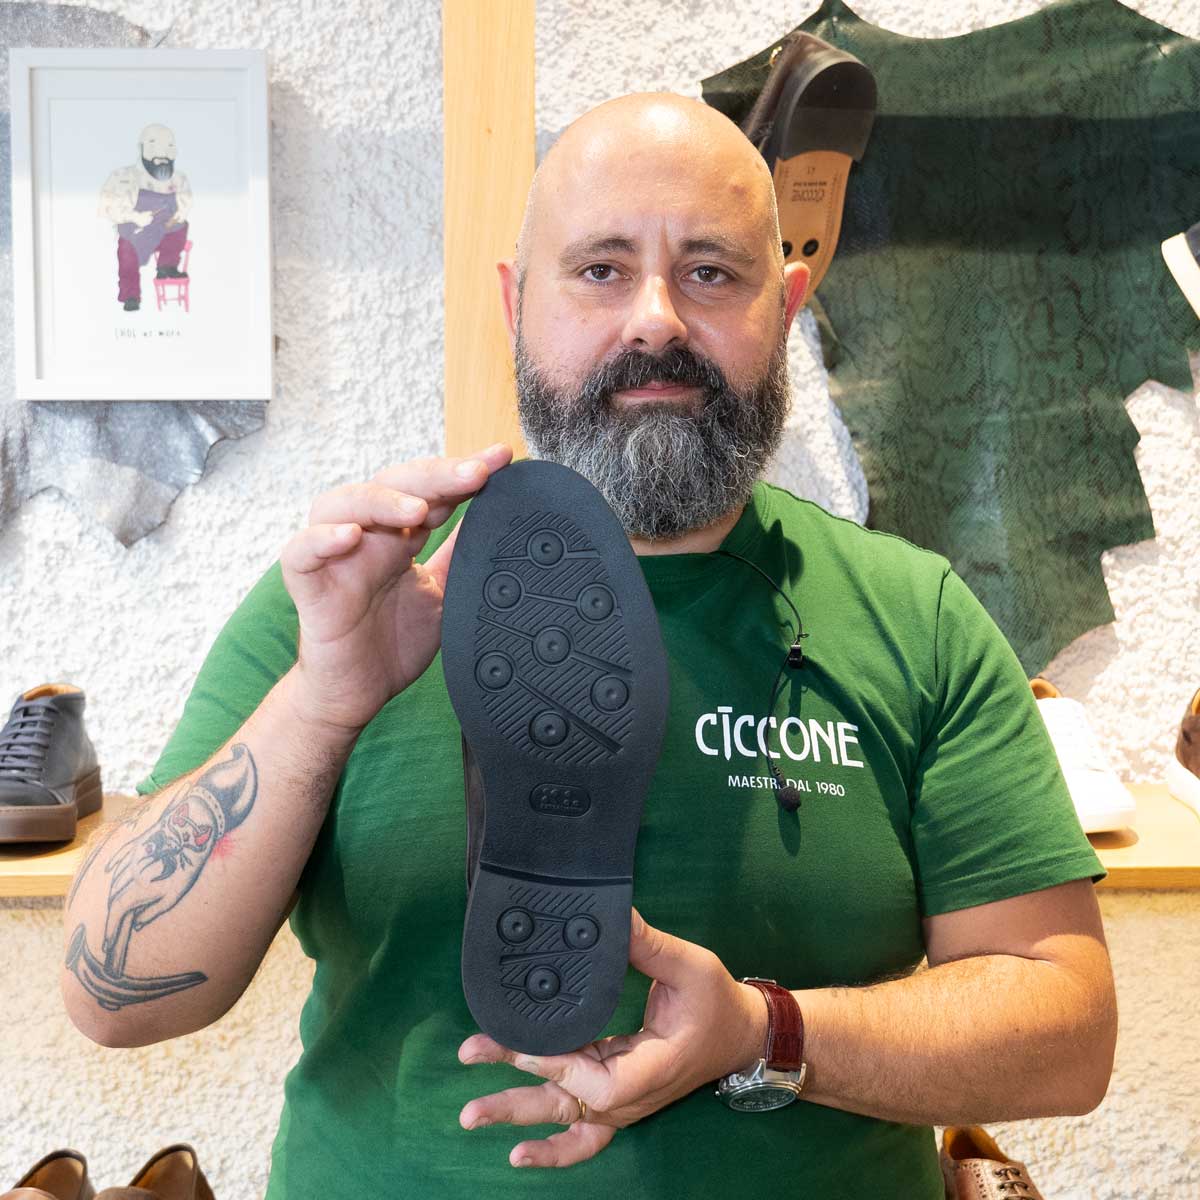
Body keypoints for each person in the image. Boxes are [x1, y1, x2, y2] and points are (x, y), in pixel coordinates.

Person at [63, 94, 1116, 1198]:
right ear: (516, 304)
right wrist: (324, 702)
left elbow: (1068, 1032)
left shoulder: (914, 615)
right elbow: (112, 993)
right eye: (602, 270)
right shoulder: (352, 597)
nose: (655, 321)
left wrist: (764, 1033)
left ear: (788, 306)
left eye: (711, 272)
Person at [97, 123, 192, 313]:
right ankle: (131, 296)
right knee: (126, 252)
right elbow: (105, 207)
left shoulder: (179, 179)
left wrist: (177, 216)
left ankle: (167, 267)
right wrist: (134, 217)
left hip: (165, 229)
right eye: (156, 150)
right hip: (134, 231)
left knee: (181, 226)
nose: (162, 157)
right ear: (142, 149)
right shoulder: (122, 176)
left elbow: (185, 203)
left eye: (168, 150)